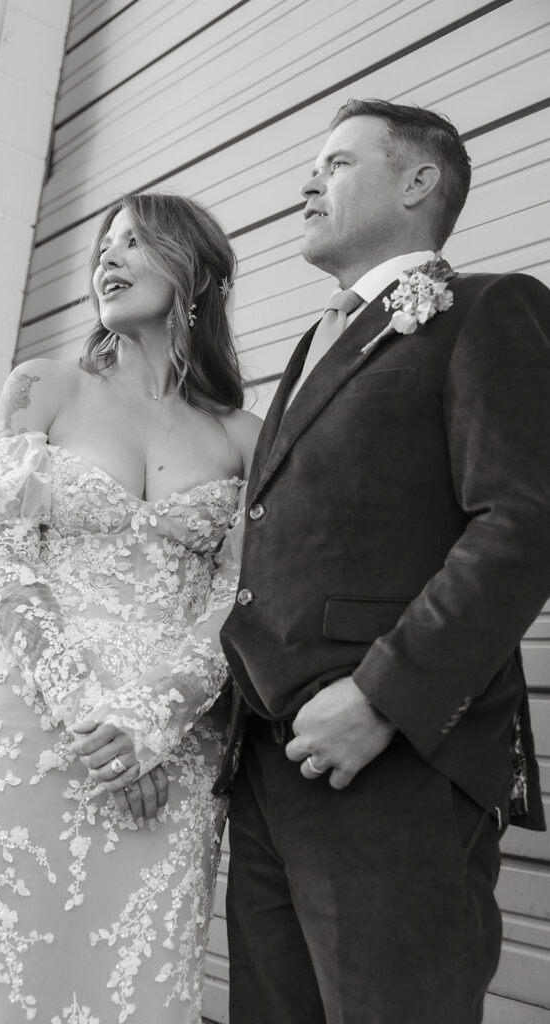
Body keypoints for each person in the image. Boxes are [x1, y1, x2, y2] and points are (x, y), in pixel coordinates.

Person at [0, 191, 261, 1024]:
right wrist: (93, 716)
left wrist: (149, 726)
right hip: (35, 722)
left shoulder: (243, 437)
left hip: (170, 745)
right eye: (102, 246)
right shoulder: (43, 385)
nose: (105, 261)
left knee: (131, 968)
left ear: (195, 274)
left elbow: (235, 599)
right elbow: (2, 559)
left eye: (134, 244)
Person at [216, 99, 550, 1024]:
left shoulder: (487, 309)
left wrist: (379, 701)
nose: (305, 181)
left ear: (417, 181)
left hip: (393, 760)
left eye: (335, 161)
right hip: (268, 757)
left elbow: (522, 523)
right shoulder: (308, 343)